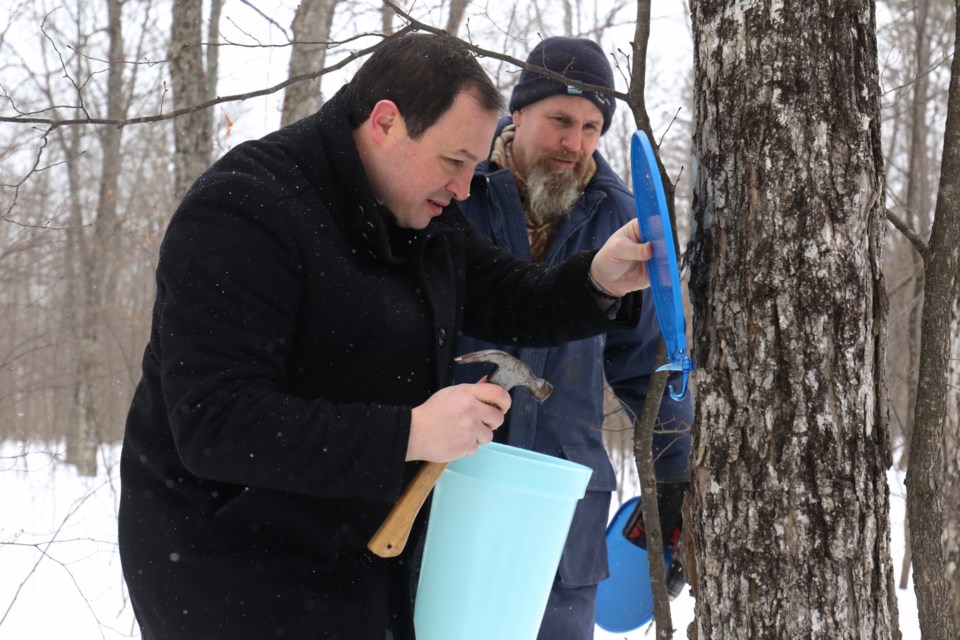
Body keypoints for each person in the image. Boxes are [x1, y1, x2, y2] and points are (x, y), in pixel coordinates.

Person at [118, 32, 656, 640]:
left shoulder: (420, 215)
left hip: (361, 559)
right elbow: (216, 423)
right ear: (385, 122)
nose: (462, 189)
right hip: (231, 571)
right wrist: (412, 433)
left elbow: (510, 295)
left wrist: (597, 281)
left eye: (473, 167)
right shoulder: (247, 209)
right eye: (453, 163)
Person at [453, 36, 694, 640]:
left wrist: (677, 483)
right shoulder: (459, 192)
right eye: (560, 120)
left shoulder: (619, 215)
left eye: (591, 126)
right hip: (452, 488)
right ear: (518, 113)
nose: (575, 142)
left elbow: (649, 365)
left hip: (565, 511)